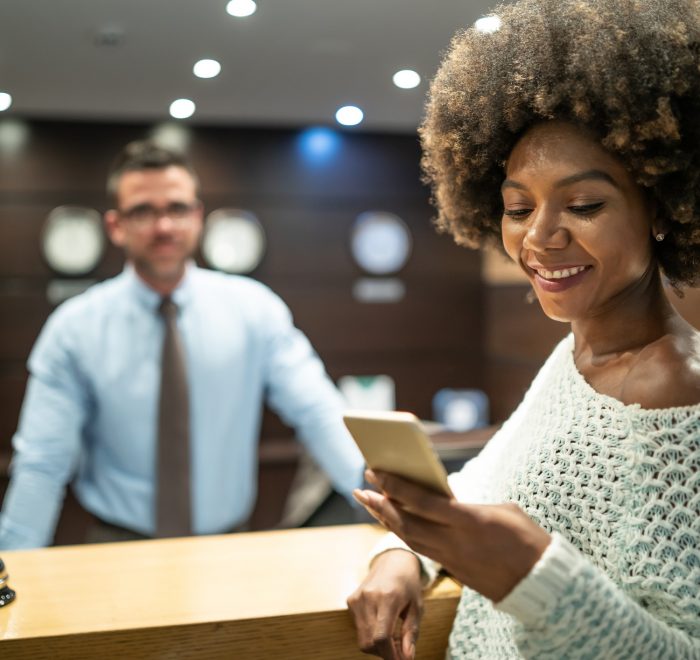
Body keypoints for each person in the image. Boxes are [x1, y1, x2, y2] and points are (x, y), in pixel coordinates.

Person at [347, 0, 700, 657]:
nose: (540, 237)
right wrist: (402, 554)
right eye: (518, 207)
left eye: (585, 204)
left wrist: (530, 576)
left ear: (662, 205)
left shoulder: (675, 388)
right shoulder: (575, 358)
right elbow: (484, 484)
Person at [0, 140, 364, 549]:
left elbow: (320, 415)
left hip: (227, 547)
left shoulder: (254, 309)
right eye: (143, 211)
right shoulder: (73, 329)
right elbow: (42, 463)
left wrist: (389, 516)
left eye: (176, 209)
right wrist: (9, 577)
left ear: (197, 217)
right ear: (115, 226)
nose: (164, 227)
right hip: (115, 548)